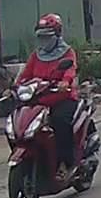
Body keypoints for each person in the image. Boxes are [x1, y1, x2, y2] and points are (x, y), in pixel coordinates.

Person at [12, 14, 79, 182]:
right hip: (38, 100)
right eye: (41, 37)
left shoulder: (67, 52)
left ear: (57, 35)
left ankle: (65, 163)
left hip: (62, 98)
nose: (44, 41)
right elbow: (25, 75)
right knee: (20, 123)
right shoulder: (36, 56)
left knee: (60, 122)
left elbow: (70, 70)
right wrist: (15, 87)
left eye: (47, 37)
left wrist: (65, 81)